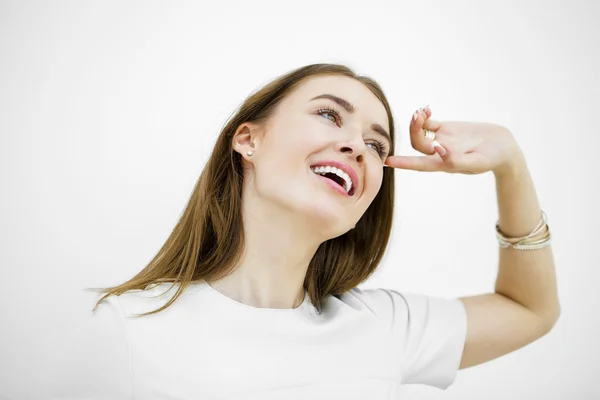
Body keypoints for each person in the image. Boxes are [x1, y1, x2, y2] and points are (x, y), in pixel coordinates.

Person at [47, 63, 560, 399]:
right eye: (328, 115)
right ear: (248, 139)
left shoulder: (379, 325)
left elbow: (530, 310)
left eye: (378, 146)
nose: (358, 147)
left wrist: (509, 165)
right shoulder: (127, 329)